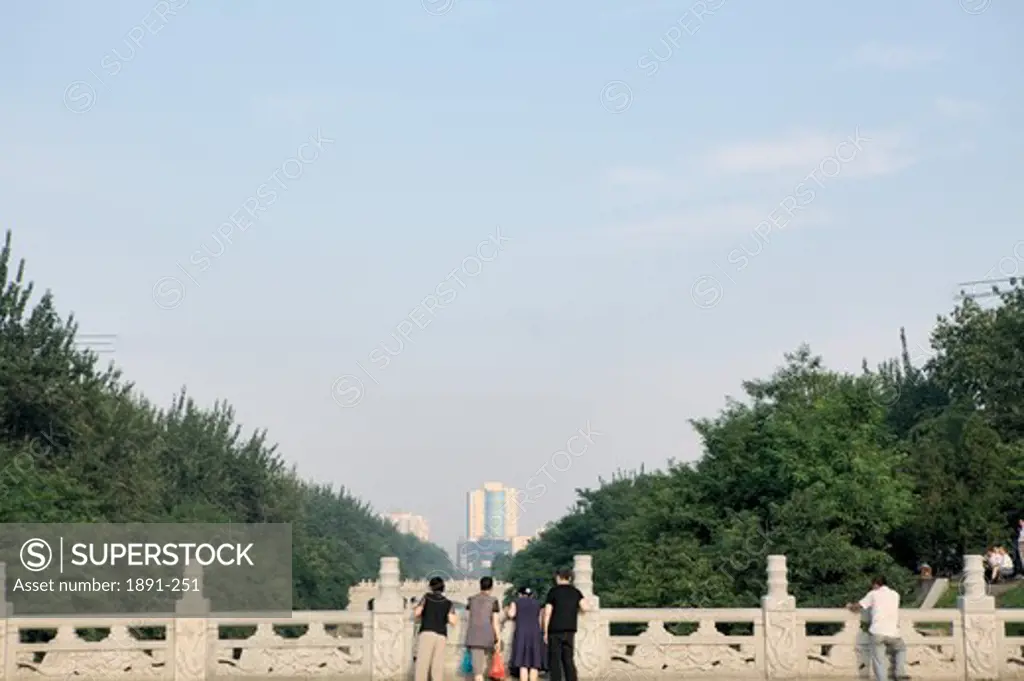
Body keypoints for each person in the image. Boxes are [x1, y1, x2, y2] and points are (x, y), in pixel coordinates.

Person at [846, 576, 907, 681]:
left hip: (877, 632)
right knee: (901, 649)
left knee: (879, 661)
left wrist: (849, 606)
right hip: (894, 633)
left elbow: (858, 607)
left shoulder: (873, 594)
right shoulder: (896, 594)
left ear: (875, 584)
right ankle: (900, 673)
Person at [543, 569, 587, 681]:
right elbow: (585, 607)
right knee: (568, 659)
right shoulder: (576, 592)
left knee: (554, 659)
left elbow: (547, 613)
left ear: (558, 578)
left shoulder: (553, 592)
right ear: (570, 578)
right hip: (570, 630)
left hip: (555, 630)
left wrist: (545, 631)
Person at [414, 577, 458, 681]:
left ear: (431, 587)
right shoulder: (448, 603)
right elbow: (453, 621)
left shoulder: (427, 597)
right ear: (443, 588)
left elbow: (417, 613)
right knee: (437, 665)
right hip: (441, 635)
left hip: (427, 632)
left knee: (422, 664)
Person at [465, 576, 501, 681]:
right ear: (491, 587)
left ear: (480, 586)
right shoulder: (493, 601)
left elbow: (469, 619)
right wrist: (498, 639)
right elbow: (495, 622)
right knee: (490, 668)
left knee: (478, 672)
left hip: (474, 637)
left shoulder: (471, 600)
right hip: (488, 637)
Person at [507, 586, 545, 681]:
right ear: (531, 595)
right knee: (534, 662)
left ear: (520, 594)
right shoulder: (538, 603)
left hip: (522, 633)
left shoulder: (516, 601)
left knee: (523, 662)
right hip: (535, 633)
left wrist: (507, 609)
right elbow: (540, 620)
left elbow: (511, 614)